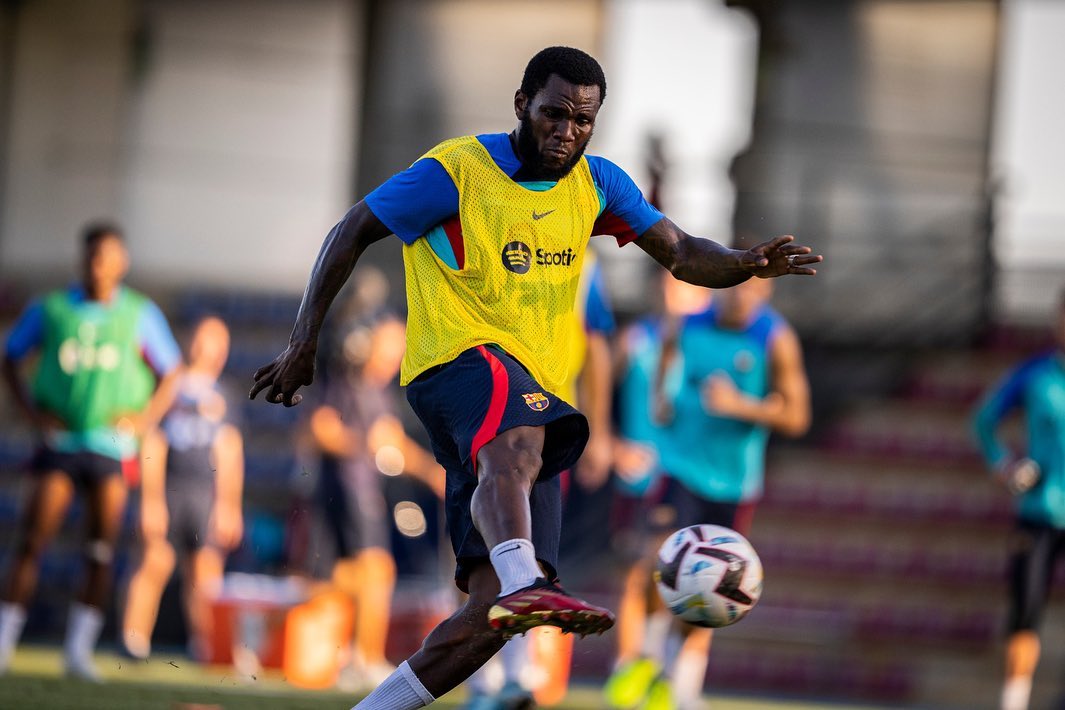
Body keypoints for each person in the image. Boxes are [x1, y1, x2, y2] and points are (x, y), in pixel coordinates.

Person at [249, 46, 820, 710]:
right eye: (554, 114)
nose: (567, 132)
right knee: (516, 450)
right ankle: (526, 581)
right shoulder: (456, 170)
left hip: (534, 397)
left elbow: (684, 253)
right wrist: (304, 342)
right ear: (522, 105)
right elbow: (351, 229)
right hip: (454, 361)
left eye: (584, 121)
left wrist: (745, 263)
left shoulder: (599, 184)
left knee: (492, 613)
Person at [606, 276, 812, 710]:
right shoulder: (687, 324)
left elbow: (797, 418)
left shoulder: (774, 338)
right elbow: (665, 357)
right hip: (679, 467)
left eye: (752, 289)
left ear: (766, 293)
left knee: (711, 580)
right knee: (657, 557)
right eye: (735, 285)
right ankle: (646, 654)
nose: (740, 296)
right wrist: (663, 401)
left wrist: (741, 406)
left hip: (733, 482)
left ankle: (674, 676)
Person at [0, 221, 181, 680]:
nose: (99, 266)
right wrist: (32, 413)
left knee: (100, 550)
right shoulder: (52, 309)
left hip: (111, 446)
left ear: (122, 262)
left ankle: (77, 652)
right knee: (31, 541)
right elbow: (11, 356)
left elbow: (172, 371)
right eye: (92, 256)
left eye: (107, 257)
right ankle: (4, 641)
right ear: (82, 260)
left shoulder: (139, 313)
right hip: (61, 442)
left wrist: (144, 419)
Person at [307, 310, 445, 691]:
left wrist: (432, 473)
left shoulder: (380, 394)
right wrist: (361, 444)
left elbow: (394, 445)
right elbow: (320, 429)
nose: (396, 354)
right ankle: (363, 658)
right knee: (377, 571)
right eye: (390, 344)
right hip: (345, 488)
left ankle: (354, 651)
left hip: (365, 491)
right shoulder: (348, 383)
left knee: (356, 576)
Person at [121, 315, 244, 662]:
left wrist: (229, 505)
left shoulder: (225, 394)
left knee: (205, 572)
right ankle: (133, 640)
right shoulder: (169, 387)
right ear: (189, 341)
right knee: (153, 561)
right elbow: (153, 442)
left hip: (205, 492)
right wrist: (151, 500)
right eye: (203, 339)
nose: (209, 349)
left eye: (217, 342)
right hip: (171, 486)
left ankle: (204, 646)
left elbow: (230, 451)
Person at [972, 291, 1065, 710]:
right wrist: (1003, 464)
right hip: (1039, 513)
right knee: (1025, 613)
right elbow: (984, 421)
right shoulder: (1036, 373)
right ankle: (1014, 702)